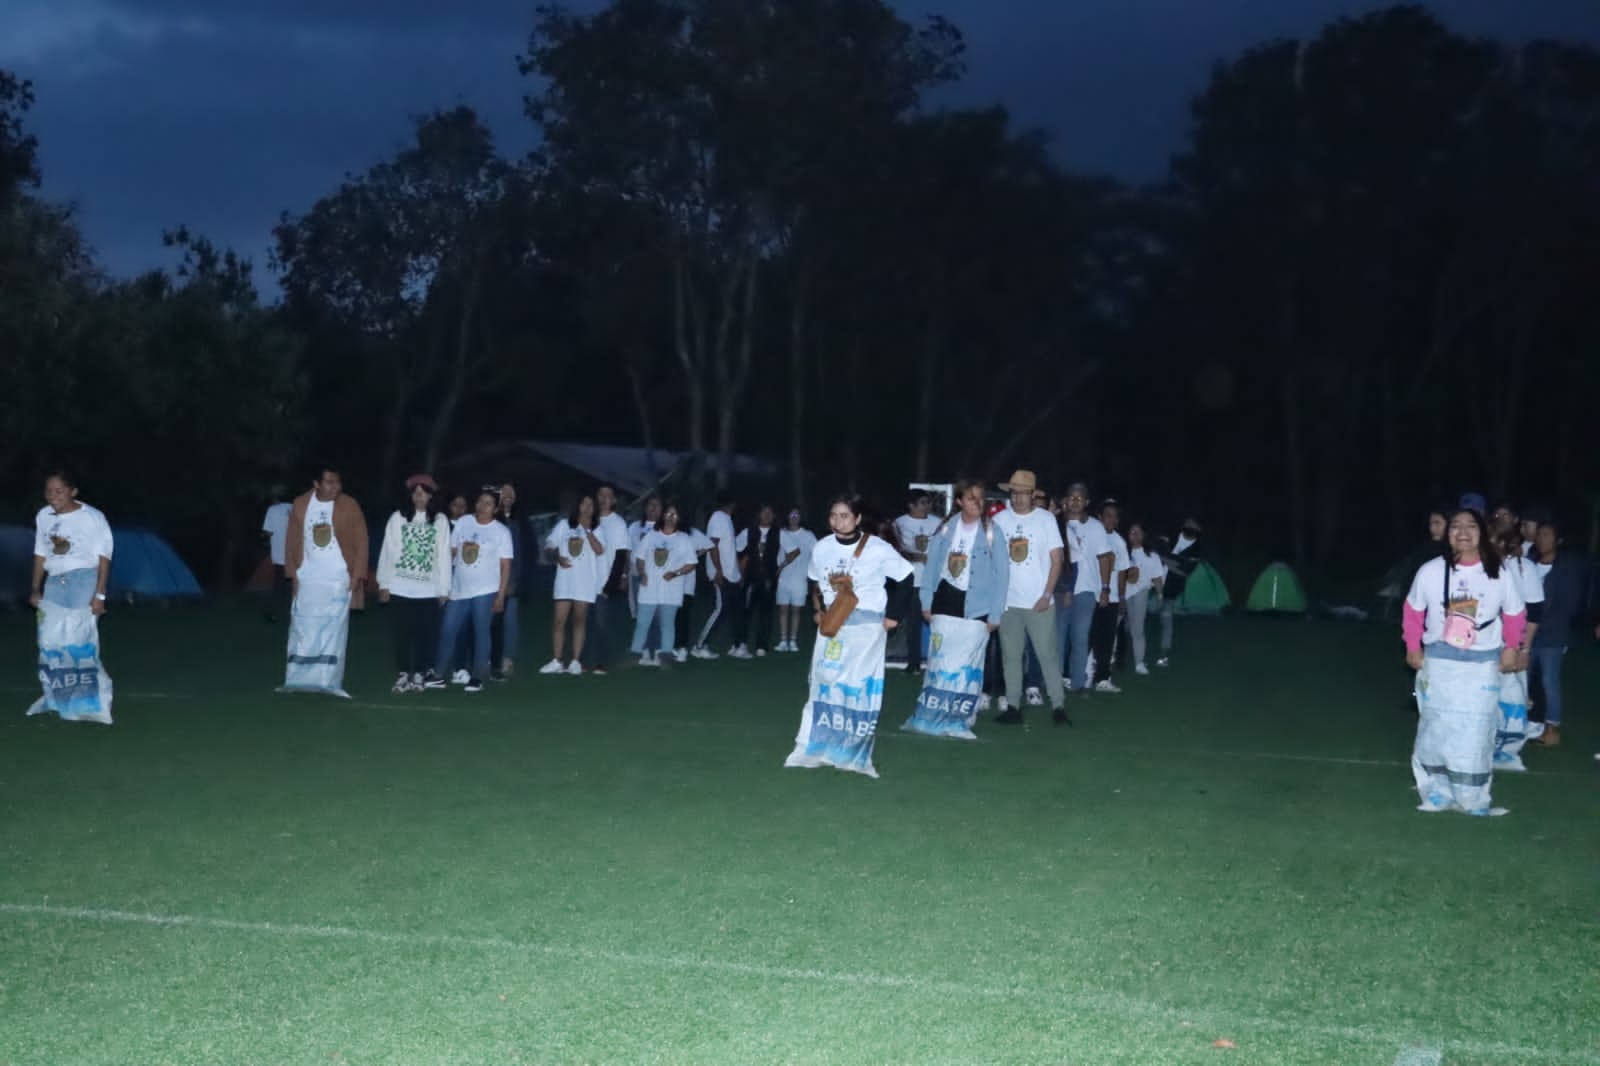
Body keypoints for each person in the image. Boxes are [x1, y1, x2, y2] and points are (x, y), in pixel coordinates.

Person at [1403, 507, 1526, 816]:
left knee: (1476, 731)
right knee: (1435, 727)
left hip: (1481, 661)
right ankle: (1435, 791)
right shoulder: (1430, 571)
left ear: (1481, 533)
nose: (1462, 532)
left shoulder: (1498, 571)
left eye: (1471, 526)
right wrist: (1412, 646)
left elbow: (1514, 612)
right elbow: (1413, 611)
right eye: (1455, 526)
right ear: (1447, 534)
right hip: (1440, 658)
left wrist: (1512, 647)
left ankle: (1473, 797)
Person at [783, 495, 913, 778]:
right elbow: (815, 580)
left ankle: (852, 753)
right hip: (833, 624)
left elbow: (906, 576)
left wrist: (894, 616)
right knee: (823, 681)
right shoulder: (822, 547)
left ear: (856, 519)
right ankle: (812, 747)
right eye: (833, 515)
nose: (838, 520)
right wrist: (817, 609)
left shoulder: (877, 548)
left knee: (857, 687)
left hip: (866, 626)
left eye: (844, 515)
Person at [904, 479, 1011, 738]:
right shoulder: (944, 529)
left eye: (980, 497)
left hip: (978, 605)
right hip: (945, 601)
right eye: (971, 497)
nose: (976, 502)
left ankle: (961, 716)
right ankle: (932, 713)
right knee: (941, 661)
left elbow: (1002, 574)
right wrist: (927, 601)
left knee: (968, 664)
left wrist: (995, 613)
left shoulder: (992, 531)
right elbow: (931, 567)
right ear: (960, 501)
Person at [281, 466, 369, 698]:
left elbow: (362, 541)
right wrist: (293, 573)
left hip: (338, 577)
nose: (335, 487)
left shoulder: (349, 505)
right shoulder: (300, 504)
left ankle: (328, 682)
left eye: (338, 482)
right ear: (316, 484)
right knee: (303, 628)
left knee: (333, 632)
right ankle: (296, 680)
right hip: (308, 576)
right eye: (329, 482)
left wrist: (357, 574)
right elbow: (291, 540)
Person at [991, 470, 1069, 725]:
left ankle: (1058, 706)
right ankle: (1013, 706)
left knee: (1047, 654)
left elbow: (1057, 560)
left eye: (1023, 493)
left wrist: (1047, 594)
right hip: (1008, 602)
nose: (1018, 498)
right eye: (1014, 493)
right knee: (1011, 656)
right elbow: (993, 560)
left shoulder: (1045, 519)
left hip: (1039, 601)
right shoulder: (1000, 520)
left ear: (1033, 495)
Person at [375, 474, 452, 693]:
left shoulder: (440, 520)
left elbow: (444, 555)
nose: (419, 496)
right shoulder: (398, 518)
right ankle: (403, 673)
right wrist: (384, 583)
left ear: (431, 495)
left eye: (424, 492)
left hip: (428, 589)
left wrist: (444, 588)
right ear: (410, 495)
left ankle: (419, 672)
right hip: (400, 587)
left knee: (424, 634)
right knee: (401, 633)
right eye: (415, 492)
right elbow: (387, 551)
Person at [435, 488, 514, 693]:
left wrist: (500, 595)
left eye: (488, 503)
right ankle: (438, 674)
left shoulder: (501, 532)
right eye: (480, 501)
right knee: (447, 630)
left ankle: (477, 676)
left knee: (481, 632)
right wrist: (443, 581)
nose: (482, 506)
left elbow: (505, 566)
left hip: (485, 590)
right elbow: (452, 552)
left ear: (495, 509)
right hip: (459, 589)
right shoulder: (464, 523)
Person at [1490, 529, 1543, 771]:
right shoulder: (1474, 567)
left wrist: (1524, 648)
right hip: (1480, 646)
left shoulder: (1522, 568)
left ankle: (1506, 751)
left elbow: (1533, 612)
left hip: (1512, 645)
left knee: (1512, 698)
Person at [1527, 518, 1581, 749]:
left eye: (1547, 535)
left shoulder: (1565, 569)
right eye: (1539, 534)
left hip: (1552, 636)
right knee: (1523, 680)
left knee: (1549, 680)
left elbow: (1570, 604)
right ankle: (1522, 724)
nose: (1542, 539)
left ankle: (1552, 728)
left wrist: (1544, 621)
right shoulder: (1529, 564)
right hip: (1528, 633)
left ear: (1558, 540)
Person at [31, 471, 114, 615]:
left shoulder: (93, 517)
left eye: (59, 491)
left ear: (73, 492)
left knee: (78, 633)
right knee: (49, 634)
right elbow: (40, 554)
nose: (52, 496)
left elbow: (104, 559)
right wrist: (35, 589)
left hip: (84, 581)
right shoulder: (43, 515)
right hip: (53, 581)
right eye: (49, 491)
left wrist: (100, 595)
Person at [541, 494, 604, 675]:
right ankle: (557, 660)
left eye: (591, 504)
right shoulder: (564, 525)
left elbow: (599, 550)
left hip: (584, 582)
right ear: (578, 506)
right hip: (564, 581)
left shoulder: (597, 529)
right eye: (584, 503)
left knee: (579, 620)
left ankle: (576, 661)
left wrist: (588, 530)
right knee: (559, 621)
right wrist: (557, 557)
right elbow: (549, 546)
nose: (587, 507)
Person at [1061, 482, 1113, 693]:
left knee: (1080, 637)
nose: (1075, 501)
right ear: (1066, 499)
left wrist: (1105, 588)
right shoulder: (1056, 523)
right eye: (1071, 497)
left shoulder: (1095, 527)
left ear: (1087, 502)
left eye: (1080, 498)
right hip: (1060, 588)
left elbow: (1104, 558)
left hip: (1086, 589)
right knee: (1058, 638)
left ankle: (1078, 682)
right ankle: (1055, 681)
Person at [632, 503, 697, 666]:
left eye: (674, 514)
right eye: (668, 513)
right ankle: (636, 654)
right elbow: (639, 557)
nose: (670, 517)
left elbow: (691, 563)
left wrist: (676, 573)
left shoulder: (684, 539)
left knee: (667, 624)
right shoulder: (651, 536)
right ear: (663, 516)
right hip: (649, 588)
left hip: (671, 589)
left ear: (679, 518)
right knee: (642, 623)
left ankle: (665, 657)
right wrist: (642, 572)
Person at [583, 485, 632, 676]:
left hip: (605, 581)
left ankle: (601, 662)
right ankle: (584, 659)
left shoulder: (618, 523)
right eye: (600, 494)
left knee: (602, 623)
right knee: (585, 623)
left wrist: (613, 583)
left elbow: (621, 555)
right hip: (586, 580)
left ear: (614, 501)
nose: (603, 499)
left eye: (608, 496)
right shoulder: (590, 520)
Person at [893, 492, 942, 675]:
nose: (926, 507)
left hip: (932, 581)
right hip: (911, 580)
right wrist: (914, 556)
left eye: (928, 503)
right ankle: (913, 663)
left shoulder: (937, 523)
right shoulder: (899, 523)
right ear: (911, 505)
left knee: (936, 623)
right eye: (922, 503)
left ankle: (937, 663)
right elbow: (895, 550)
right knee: (913, 624)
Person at [695, 496, 749, 659]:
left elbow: (729, 551)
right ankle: (699, 646)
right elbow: (713, 545)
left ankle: (738, 646)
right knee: (721, 609)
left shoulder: (726, 519)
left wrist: (737, 574)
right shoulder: (718, 518)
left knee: (736, 611)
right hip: (722, 574)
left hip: (730, 574)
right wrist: (718, 570)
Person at [1089, 499, 1131, 693]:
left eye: (1115, 516)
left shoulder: (1119, 542)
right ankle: (1081, 674)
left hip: (1111, 597)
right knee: (1086, 636)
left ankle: (1103, 678)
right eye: (1108, 515)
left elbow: (1122, 571)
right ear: (1099, 517)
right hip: (1090, 594)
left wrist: (1121, 597)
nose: (1111, 519)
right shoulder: (1091, 536)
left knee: (1106, 639)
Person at [489, 481, 525, 681]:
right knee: (487, 622)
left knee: (510, 621)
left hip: (510, 582)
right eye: (504, 491)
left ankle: (507, 658)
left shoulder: (519, 522)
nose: (508, 494)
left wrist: (515, 581)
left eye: (512, 491)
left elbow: (519, 554)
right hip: (486, 581)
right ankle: (486, 658)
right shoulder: (489, 519)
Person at [1156, 517, 1203, 667]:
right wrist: (1176, 561)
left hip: (1171, 588)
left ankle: (1164, 655)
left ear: (1198, 530)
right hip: (1151, 581)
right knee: (1134, 616)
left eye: (1193, 525)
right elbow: (1157, 549)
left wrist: (1167, 558)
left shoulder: (1197, 548)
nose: (1190, 526)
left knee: (1166, 619)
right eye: (1188, 524)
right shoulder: (1171, 534)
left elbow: (1185, 571)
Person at [1122, 520, 1165, 676]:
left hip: (1141, 591)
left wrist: (1160, 594)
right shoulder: (1123, 552)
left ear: (1143, 535)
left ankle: (1139, 662)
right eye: (1132, 532)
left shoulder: (1151, 555)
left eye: (1138, 532)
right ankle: (1115, 657)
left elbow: (1157, 577)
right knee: (1124, 626)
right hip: (1123, 593)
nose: (1135, 535)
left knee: (1137, 628)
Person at [743, 504, 784, 656]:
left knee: (765, 614)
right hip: (751, 577)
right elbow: (736, 548)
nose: (767, 515)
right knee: (746, 611)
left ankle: (762, 645)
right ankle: (742, 643)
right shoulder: (749, 531)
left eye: (770, 513)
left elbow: (794, 551)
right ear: (758, 514)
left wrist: (779, 568)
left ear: (774, 516)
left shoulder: (780, 533)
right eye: (764, 512)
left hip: (768, 579)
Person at [776, 508, 817, 652]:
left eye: (796, 515)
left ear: (800, 517)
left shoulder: (808, 535)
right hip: (783, 578)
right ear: (787, 517)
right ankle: (783, 640)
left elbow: (816, 553)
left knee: (796, 611)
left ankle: (792, 641)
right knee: (783, 610)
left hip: (800, 579)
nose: (794, 517)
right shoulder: (781, 533)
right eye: (791, 514)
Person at [260, 487, 292, 621]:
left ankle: (274, 613)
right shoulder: (294, 507)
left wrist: (262, 535)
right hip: (295, 554)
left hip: (280, 555)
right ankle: (296, 611)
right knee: (294, 584)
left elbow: (269, 531)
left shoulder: (272, 510)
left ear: (274, 498)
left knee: (278, 585)